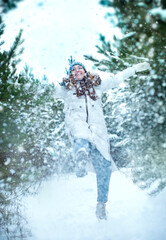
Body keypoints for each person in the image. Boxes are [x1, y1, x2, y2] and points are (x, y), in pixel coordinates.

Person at [54, 59, 150, 220]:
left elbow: (117, 78)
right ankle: (80, 159)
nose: (77, 70)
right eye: (74, 69)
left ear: (85, 71)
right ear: (70, 74)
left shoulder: (97, 85)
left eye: (80, 68)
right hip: (78, 127)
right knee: (81, 136)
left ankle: (101, 205)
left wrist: (134, 69)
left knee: (105, 169)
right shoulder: (66, 90)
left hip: (98, 133)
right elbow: (44, 90)